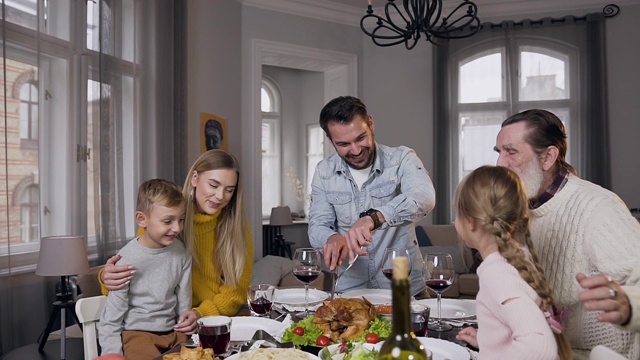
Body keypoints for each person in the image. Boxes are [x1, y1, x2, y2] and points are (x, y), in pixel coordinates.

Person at [494, 109, 640, 359]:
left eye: (511, 152)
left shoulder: (599, 207)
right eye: (498, 152)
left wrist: (629, 305)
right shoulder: (521, 208)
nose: (499, 164)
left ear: (549, 156)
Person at [100, 150, 253, 332]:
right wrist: (106, 278)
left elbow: (235, 293)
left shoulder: (238, 228)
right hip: (169, 325)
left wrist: (200, 314)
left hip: (216, 322)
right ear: (195, 178)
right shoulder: (162, 216)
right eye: (213, 185)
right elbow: (141, 267)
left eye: (229, 190)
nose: (220, 196)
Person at [308, 96, 436, 295]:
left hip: (403, 285)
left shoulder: (402, 158)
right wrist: (331, 237)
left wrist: (374, 218)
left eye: (361, 138)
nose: (356, 150)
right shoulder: (324, 171)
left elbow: (425, 197)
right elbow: (318, 224)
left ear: (371, 123)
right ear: (330, 140)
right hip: (351, 289)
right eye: (343, 144)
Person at [453, 166, 572, 359]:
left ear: (471, 221)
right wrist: (489, 342)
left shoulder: (497, 273)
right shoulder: (515, 258)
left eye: (457, 214)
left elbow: (539, 347)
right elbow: (518, 324)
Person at [99, 179, 192, 359]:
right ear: (142, 219)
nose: (177, 228)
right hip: (138, 335)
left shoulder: (182, 253)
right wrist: (111, 354)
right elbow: (111, 318)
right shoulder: (126, 260)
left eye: (181, 219)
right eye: (168, 221)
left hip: (174, 333)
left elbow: (184, 306)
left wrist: (186, 325)